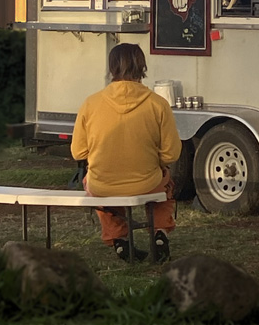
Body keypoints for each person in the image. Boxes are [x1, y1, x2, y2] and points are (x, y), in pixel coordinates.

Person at [71, 43, 182, 262]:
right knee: (166, 184)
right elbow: (171, 154)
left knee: (96, 187)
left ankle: (118, 239)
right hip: (147, 182)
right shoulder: (158, 104)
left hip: (103, 184)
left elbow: (78, 152)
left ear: (111, 68)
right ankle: (159, 233)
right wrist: (155, 161)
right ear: (142, 67)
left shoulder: (90, 104)